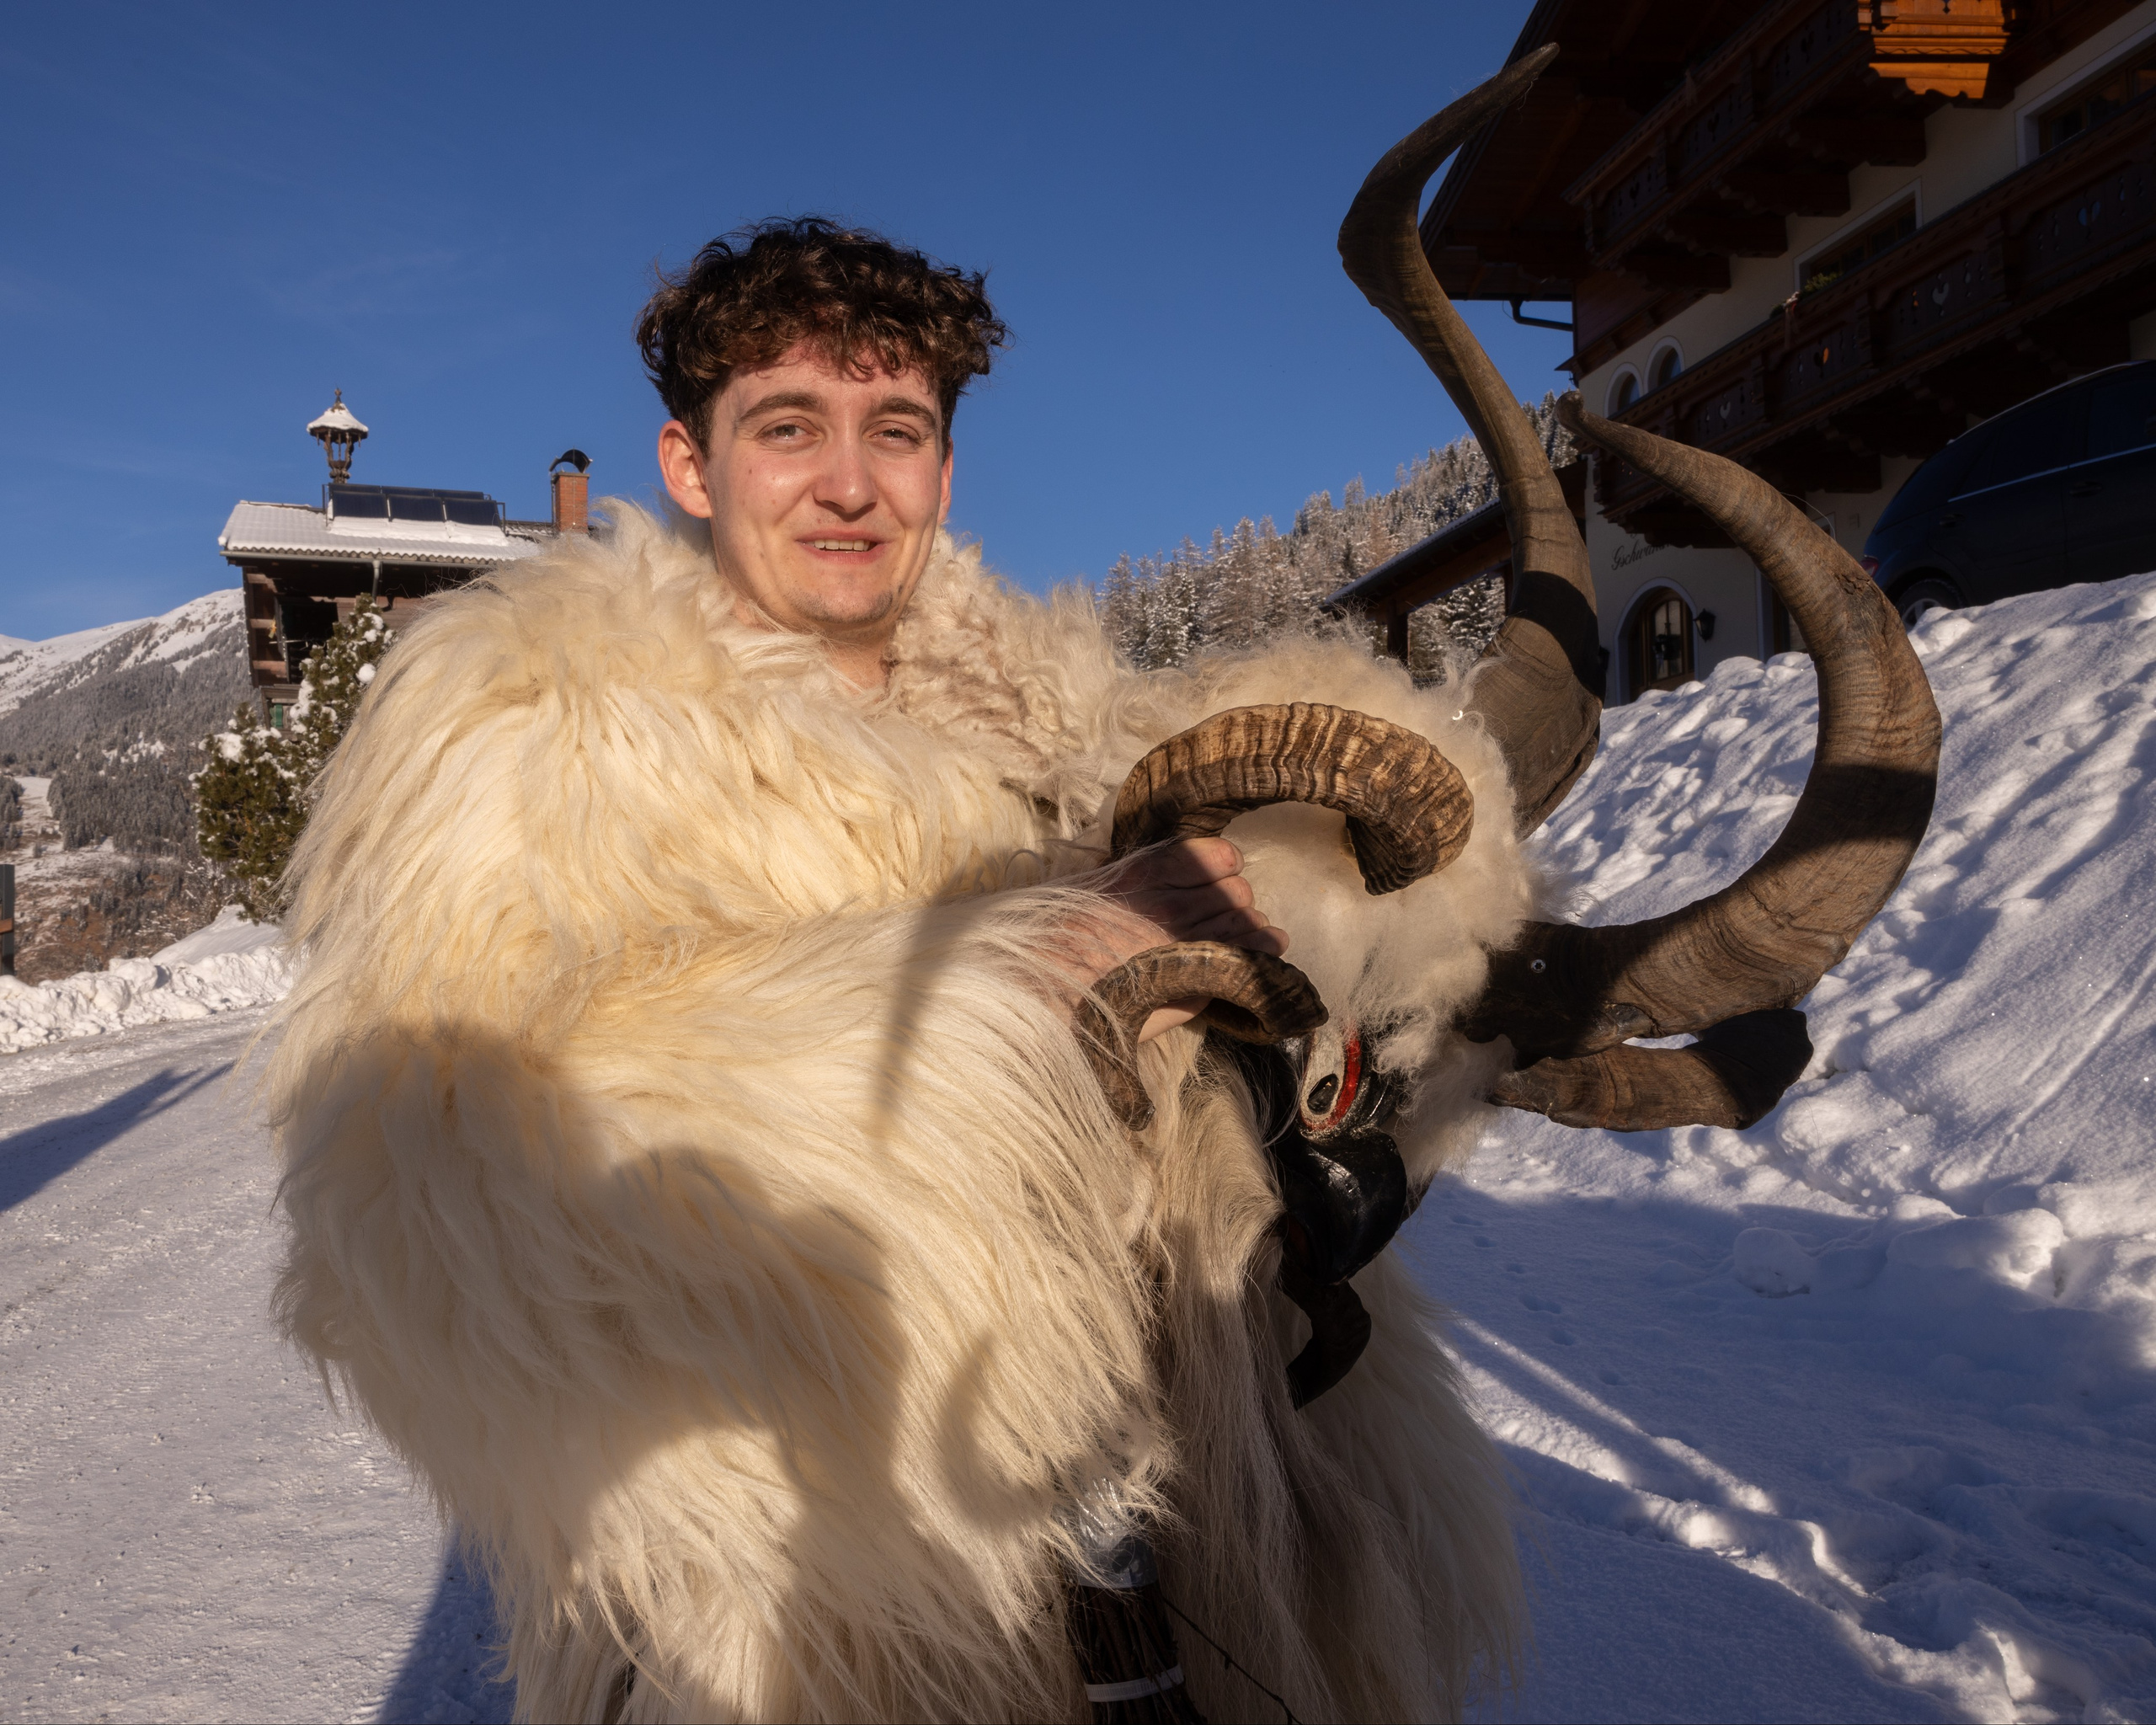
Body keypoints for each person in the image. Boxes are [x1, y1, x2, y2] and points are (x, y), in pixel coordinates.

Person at [270, 216, 1526, 1723]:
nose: (851, 483)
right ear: (689, 465)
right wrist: (1023, 989)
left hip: (1179, 1551)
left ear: (944, 468)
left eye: (898, 430)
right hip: (795, 1606)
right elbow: (432, 1164)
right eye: (788, 426)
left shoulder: (1077, 747)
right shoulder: (532, 731)